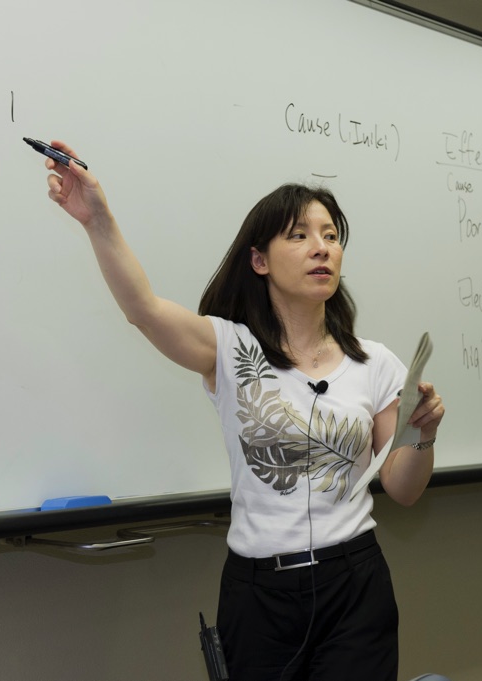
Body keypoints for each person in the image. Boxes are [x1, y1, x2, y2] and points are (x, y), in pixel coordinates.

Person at [40, 140, 445, 681]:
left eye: (330, 237)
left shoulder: (375, 362)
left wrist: (422, 435)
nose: (320, 248)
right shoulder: (230, 349)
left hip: (355, 584)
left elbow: (402, 488)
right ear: (259, 260)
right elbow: (143, 309)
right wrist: (97, 220)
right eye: (299, 236)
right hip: (260, 596)